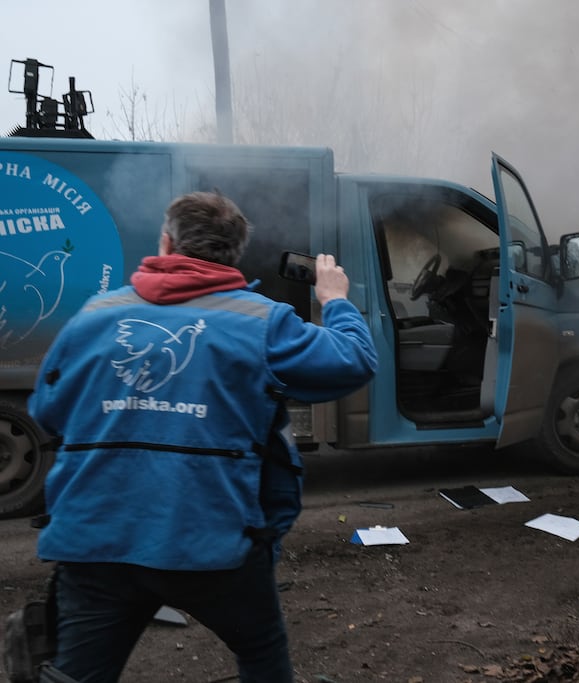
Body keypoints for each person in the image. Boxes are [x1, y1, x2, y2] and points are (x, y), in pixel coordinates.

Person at [27, 191, 378, 683]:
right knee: (261, 652)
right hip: (212, 541)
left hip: (95, 539)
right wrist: (335, 299)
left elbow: (48, 411)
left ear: (166, 242)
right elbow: (355, 361)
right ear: (233, 254)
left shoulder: (94, 316)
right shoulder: (261, 322)